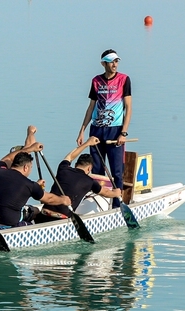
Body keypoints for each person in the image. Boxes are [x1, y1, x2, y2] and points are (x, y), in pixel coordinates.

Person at [76, 49, 132, 208]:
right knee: (97, 170)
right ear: (103, 63)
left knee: (116, 171)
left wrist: (124, 132)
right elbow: (91, 107)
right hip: (96, 130)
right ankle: (99, 203)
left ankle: (117, 203)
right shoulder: (96, 81)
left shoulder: (124, 79)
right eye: (111, 61)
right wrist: (82, 130)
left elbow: (128, 107)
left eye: (117, 61)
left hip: (115, 130)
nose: (115, 64)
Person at [0, 127, 71, 227]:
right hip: (10, 226)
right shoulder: (29, 185)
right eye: (31, 167)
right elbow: (49, 199)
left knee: (32, 210)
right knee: (35, 211)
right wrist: (63, 200)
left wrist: (30, 148)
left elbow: (8, 158)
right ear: (26, 167)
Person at [36, 137, 122, 224]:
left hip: (44, 214)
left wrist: (87, 143)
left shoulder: (63, 168)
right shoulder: (90, 182)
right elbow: (106, 193)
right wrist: (116, 193)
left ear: (76, 164)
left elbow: (70, 156)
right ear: (89, 168)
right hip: (61, 220)